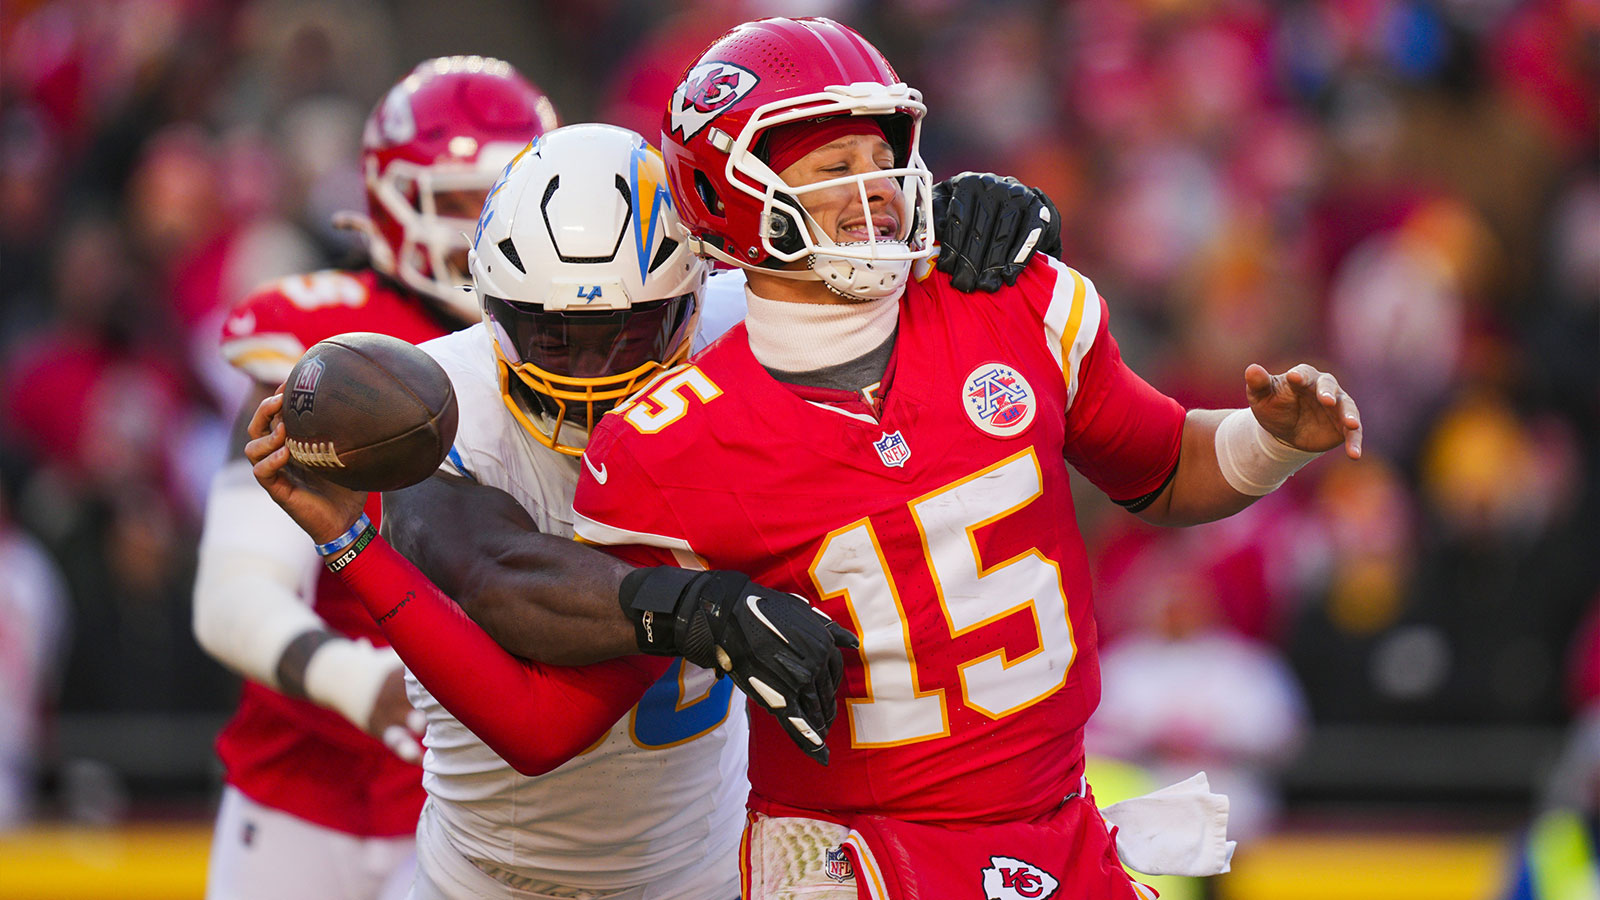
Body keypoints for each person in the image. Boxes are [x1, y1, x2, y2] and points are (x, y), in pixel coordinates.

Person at [562, 17, 1361, 898]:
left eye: (881, 156)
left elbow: (1163, 466)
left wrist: (1270, 442)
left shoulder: (1012, 298)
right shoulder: (665, 442)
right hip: (844, 857)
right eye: (836, 169)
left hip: (1061, 828)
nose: (875, 189)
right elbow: (571, 697)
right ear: (731, 195)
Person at [239, 118, 1059, 895]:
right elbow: (497, 575)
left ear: (693, 293)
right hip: (492, 877)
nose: (588, 373)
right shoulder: (435, 398)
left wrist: (968, 228)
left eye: (625, 335)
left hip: (705, 867)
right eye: (555, 336)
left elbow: (897, 285)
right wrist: (699, 608)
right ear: (493, 307)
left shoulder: (754, 324)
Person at [192, 56, 557, 900]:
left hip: (491, 800)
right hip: (305, 791)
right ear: (395, 202)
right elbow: (231, 596)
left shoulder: (577, 343)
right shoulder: (324, 349)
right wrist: (367, 684)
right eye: (466, 199)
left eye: (510, 192)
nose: (488, 225)